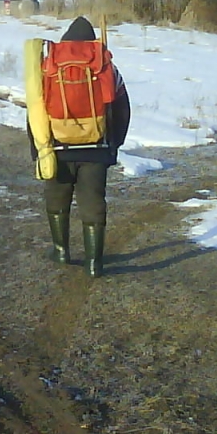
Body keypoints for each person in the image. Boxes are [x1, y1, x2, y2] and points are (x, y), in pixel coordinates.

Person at [30, 16, 131, 277]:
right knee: (93, 204)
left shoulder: (49, 65)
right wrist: (113, 146)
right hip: (96, 149)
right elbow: (121, 109)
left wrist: (39, 150)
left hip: (57, 149)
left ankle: (61, 250)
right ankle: (93, 263)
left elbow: (35, 110)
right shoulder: (104, 66)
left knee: (56, 200)